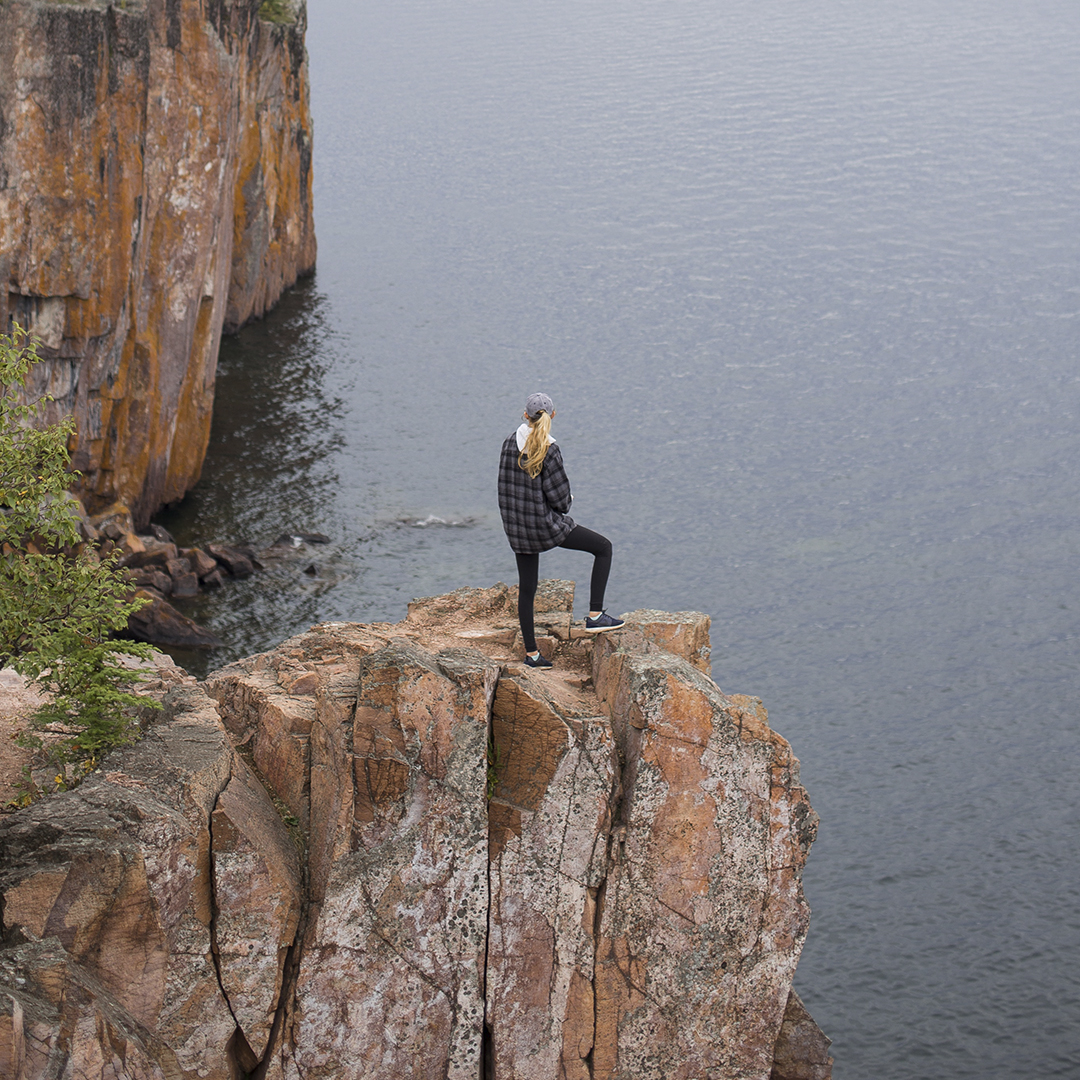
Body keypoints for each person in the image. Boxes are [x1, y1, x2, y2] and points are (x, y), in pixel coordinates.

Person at [497, 392, 624, 668]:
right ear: (552, 416)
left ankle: (531, 655)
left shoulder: (509, 442)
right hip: (543, 526)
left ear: (525, 414)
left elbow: (504, 487)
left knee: (528, 589)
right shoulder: (549, 448)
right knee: (603, 547)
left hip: (517, 527)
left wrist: (514, 520)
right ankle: (595, 616)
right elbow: (561, 501)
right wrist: (568, 501)